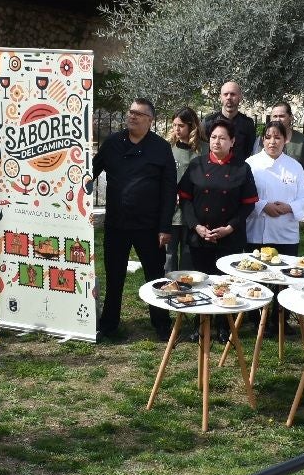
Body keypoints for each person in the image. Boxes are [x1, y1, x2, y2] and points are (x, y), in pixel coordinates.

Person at [91, 98, 178, 342]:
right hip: (116, 224)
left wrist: (164, 227)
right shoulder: (112, 143)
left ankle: (161, 325)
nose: (132, 116)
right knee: (114, 276)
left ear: (150, 120)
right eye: (130, 112)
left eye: (139, 114)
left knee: (155, 277)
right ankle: (109, 325)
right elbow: (89, 172)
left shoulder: (161, 148)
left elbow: (169, 190)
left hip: (150, 227)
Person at [180, 117, 259, 292]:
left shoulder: (242, 168)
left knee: (227, 286)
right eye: (214, 137)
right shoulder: (196, 164)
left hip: (230, 239)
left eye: (222, 138)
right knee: (199, 284)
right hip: (199, 238)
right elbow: (185, 200)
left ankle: (224, 320)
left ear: (232, 141)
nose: (217, 141)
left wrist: (230, 228)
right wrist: (196, 226)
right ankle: (200, 319)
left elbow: (248, 205)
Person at [245, 121, 304, 257]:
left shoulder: (295, 166)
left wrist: (289, 207)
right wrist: (263, 206)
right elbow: (244, 195)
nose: (272, 142)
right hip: (256, 232)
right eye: (268, 137)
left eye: (277, 137)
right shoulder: (250, 164)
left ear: (286, 140)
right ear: (263, 140)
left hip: (286, 234)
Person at [165, 107, 203, 273]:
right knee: (169, 254)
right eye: (174, 125)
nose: (176, 129)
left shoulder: (203, 150)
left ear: (191, 126)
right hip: (171, 211)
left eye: (180, 125)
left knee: (189, 254)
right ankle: (168, 287)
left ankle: (187, 290)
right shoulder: (168, 148)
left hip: (193, 212)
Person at [202, 81, 256, 171]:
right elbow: (203, 150)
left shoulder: (247, 124)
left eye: (233, 94)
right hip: (212, 170)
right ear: (221, 98)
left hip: (238, 171)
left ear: (240, 97)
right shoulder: (208, 122)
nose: (229, 98)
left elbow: (249, 150)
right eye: (225, 94)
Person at [256, 101, 304, 172]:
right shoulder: (263, 139)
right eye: (275, 116)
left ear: (291, 117)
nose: (278, 119)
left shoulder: (303, 140)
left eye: (281, 116)